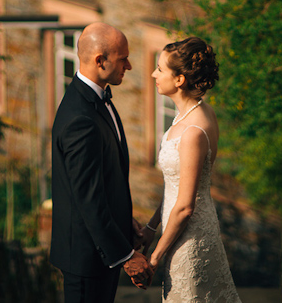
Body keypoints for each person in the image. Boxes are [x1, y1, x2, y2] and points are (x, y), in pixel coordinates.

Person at [50, 22, 153, 303]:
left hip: (100, 253)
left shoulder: (96, 100)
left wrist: (123, 220)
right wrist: (126, 256)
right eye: (123, 58)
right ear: (100, 60)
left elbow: (105, 177)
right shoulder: (80, 119)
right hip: (87, 258)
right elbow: (88, 198)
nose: (129, 66)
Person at [142, 37, 243, 303]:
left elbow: (185, 205)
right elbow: (175, 186)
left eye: (160, 69)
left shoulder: (193, 132)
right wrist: (151, 227)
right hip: (185, 228)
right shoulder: (200, 112)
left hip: (189, 237)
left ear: (179, 80)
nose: (154, 74)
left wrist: (153, 259)